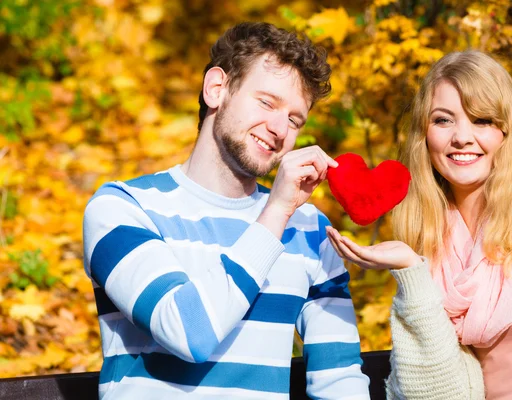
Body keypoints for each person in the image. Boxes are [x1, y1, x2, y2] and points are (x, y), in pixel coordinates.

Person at [83, 22, 370, 400]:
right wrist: (277, 211)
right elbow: (188, 333)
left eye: (295, 120)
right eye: (267, 103)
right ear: (217, 89)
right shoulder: (123, 208)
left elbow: (340, 382)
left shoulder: (309, 229)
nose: (279, 128)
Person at [326, 50, 512, 399]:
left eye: (482, 120)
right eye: (443, 120)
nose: (462, 137)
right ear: (424, 133)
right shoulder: (426, 226)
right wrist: (411, 271)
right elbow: (430, 391)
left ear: (506, 131)